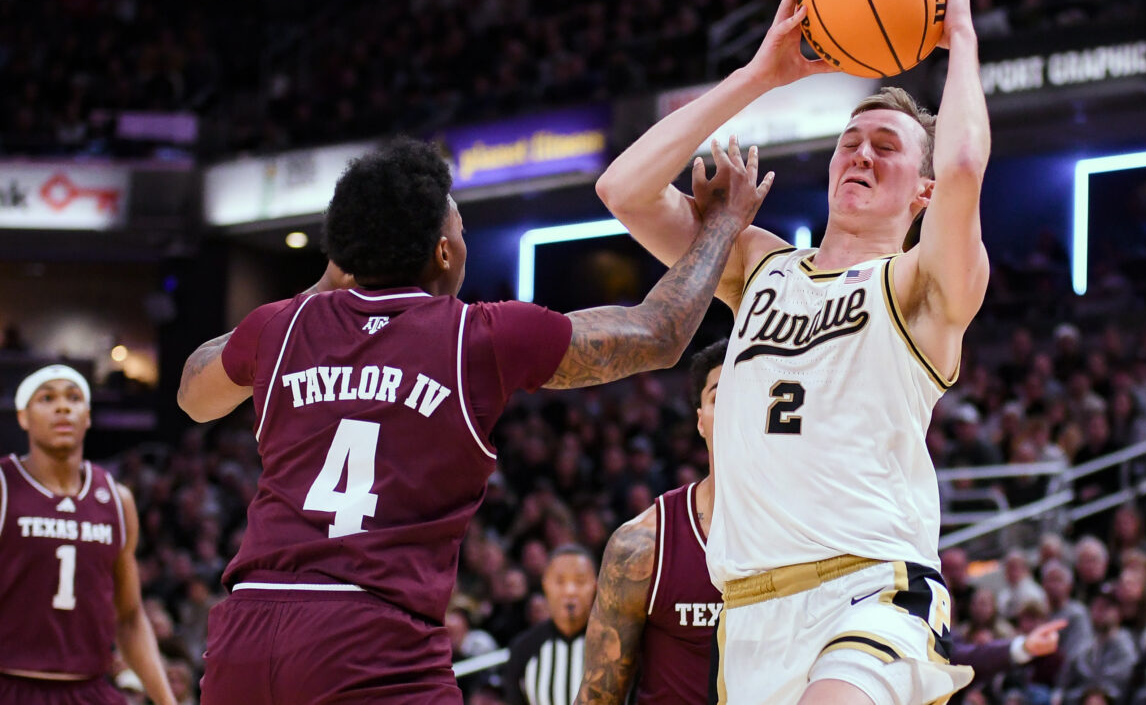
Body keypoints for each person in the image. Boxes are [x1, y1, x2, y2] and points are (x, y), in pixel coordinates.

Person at [176, 134, 771, 704]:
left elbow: (193, 395)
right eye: (460, 230)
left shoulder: (280, 328)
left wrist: (329, 278)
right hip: (372, 641)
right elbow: (657, 334)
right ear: (443, 252)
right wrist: (721, 225)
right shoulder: (475, 335)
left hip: (245, 634)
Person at [595, 0, 989, 705]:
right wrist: (759, 75)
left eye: (886, 148)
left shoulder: (920, 286)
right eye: (849, 143)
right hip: (751, 615)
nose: (861, 156)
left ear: (922, 194)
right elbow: (625, 190)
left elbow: (967, 169)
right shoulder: (761, 267)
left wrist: (964, 35)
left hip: (873, 592)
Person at [0, 364, 176, 705]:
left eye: (74, 397)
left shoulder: (116, 499)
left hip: (89, 688)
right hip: (10, 683)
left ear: (89, 416)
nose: (62, 407)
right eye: (47, 398)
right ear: (23, 417)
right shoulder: (5, 487)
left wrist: (168, 701)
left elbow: (129, 618)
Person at [574, 339, 727, 705]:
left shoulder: (813, 533)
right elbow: (598, 696)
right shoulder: (642, 544)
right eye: (720, 398)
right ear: (700, 422)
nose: (736, 408)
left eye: (749, 393)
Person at [505, 545, 598, 705]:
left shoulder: (615, 645)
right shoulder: (524, 648)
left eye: (580, 581)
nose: (570, 591)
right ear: (545, 584)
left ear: (596, 584)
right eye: (560, 581)